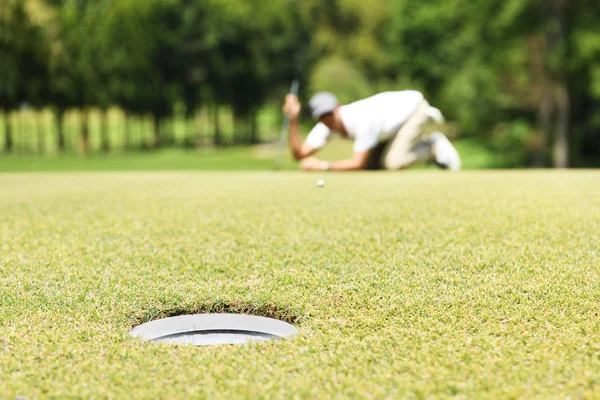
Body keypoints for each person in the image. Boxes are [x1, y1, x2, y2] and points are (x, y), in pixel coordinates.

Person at [282, 90, 461, 171]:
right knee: (374, 166)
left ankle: (432, 145)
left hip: (414, 110)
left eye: (329, 113)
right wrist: (294, 119)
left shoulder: (360, 119)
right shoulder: (326, 127)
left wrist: (323, 166)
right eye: (322, 116)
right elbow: (299, 154)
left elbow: (357, 163)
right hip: (389, 127)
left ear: (338, 107)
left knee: (393, 163)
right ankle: (429, 147)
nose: (327, 119)